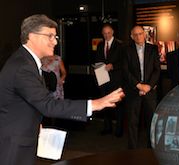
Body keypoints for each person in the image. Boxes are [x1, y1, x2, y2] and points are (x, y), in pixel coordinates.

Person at [0, 14, 124, 165]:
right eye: (50, 36)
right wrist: (96, 104)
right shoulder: (23, 66)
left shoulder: (25, 61)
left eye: (55, 36)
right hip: (14, 145)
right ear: (32, 36)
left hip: (20, 138)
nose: (55, 41)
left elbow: (24, 102)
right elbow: (48, 105)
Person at [123, 25, 160, 149]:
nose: (138, 36)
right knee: (132, 123)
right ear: (131, 37)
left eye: (140, 33)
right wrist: (139, 86)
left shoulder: (153, 49)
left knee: (151, 122)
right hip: (134, 91)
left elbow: (157, 70)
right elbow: (125, 71)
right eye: (135, 34)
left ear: (145, 34)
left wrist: (148, 86)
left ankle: (151, 149)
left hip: (150, 92)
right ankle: (132, 150)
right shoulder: (126, 50)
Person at [95, 23, 124, 136]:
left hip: (116, 80)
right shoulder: (100, 45)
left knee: (118, 105)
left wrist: (113, 66)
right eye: (104, 33)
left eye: (108, 33)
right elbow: (98, 60)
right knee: (104, 104)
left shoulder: (120, 45)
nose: (106, 35)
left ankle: (119, 129)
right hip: (103, 78)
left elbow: (124, 62)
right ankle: (107, 127)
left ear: (112, 33)